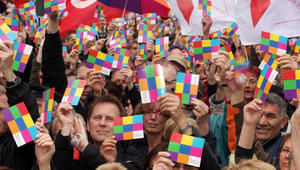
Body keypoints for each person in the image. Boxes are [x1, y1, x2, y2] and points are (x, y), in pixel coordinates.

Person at [54, 95, 143, 170]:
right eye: (97, 118)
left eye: (110, 119)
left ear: (121, 125)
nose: (102, 123)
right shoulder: (78, 152)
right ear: (88, 124)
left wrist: (86, 148)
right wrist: (66, 126)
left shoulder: (131, 152)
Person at [235, 92, 289, 166]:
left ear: (283, 121)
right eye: (258, 115)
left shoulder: (288, 148)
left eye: (270, 116)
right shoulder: (242, 143)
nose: (262, 122)